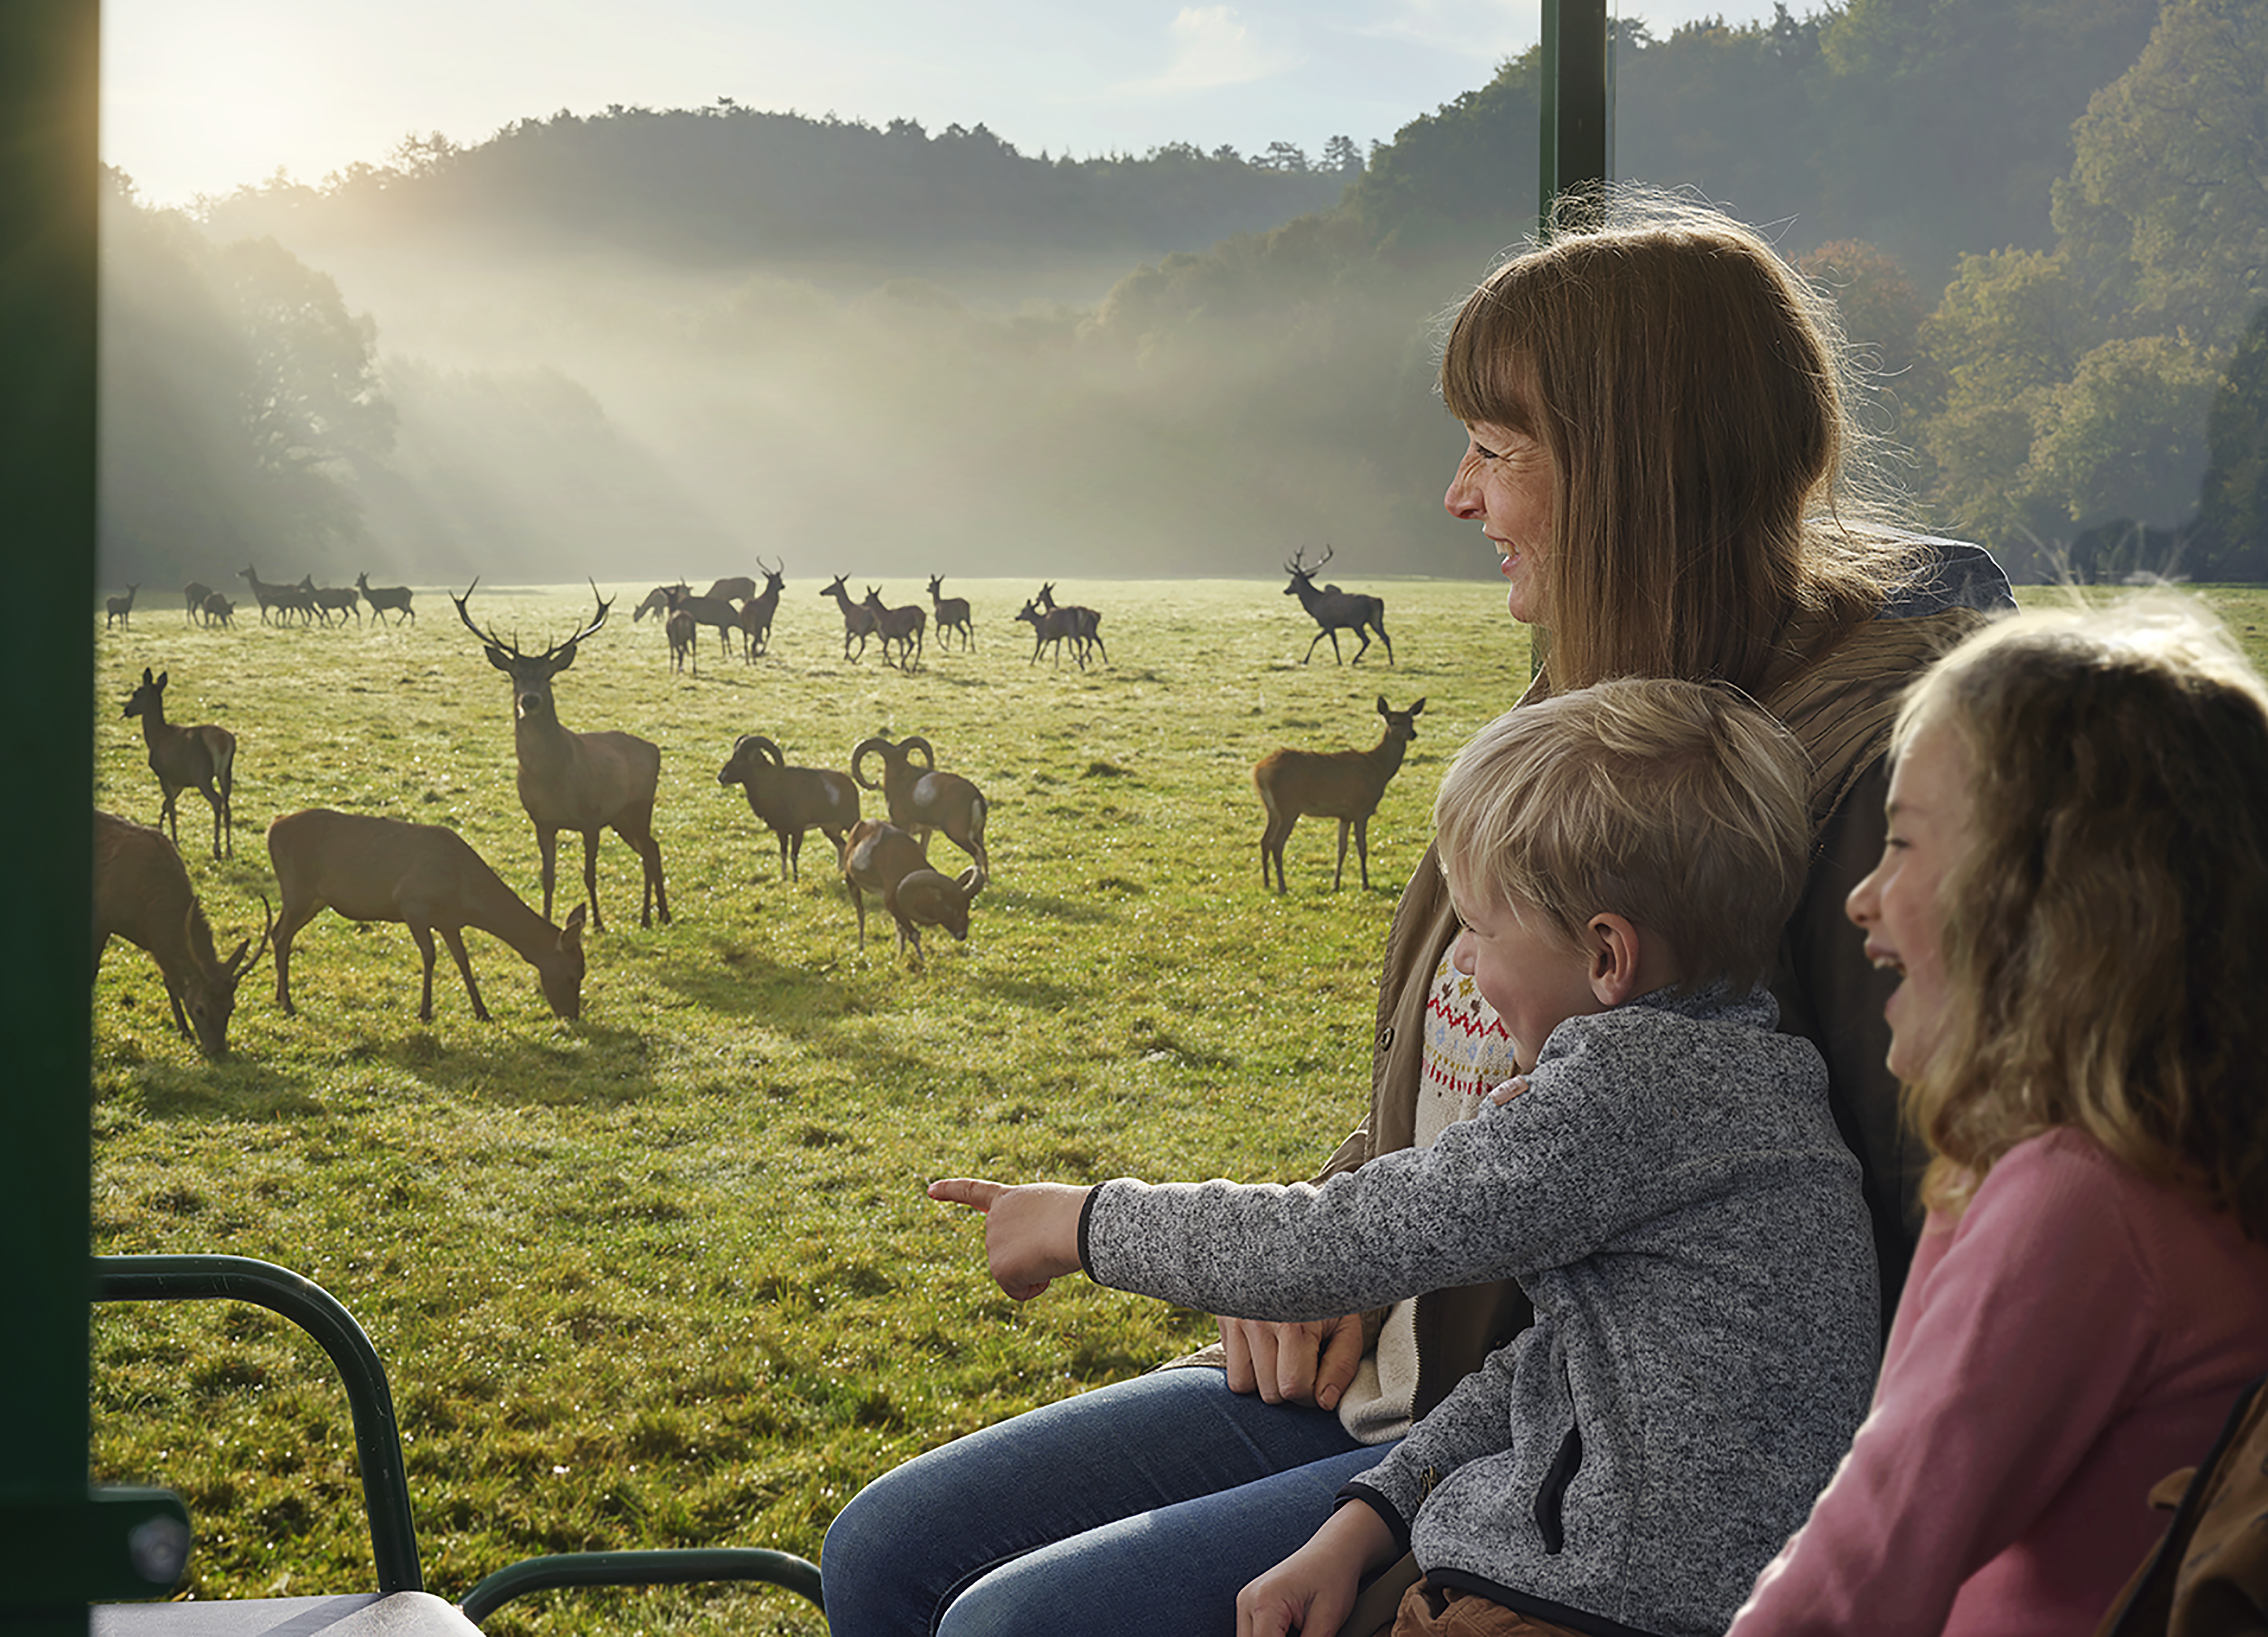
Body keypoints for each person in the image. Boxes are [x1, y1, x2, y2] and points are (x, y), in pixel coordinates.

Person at [819, 195, 2012, 1637]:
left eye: (1500, 452)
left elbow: (1878, 1236)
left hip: (1552, 1451)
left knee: (1017, 1623)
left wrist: (1305, 1257)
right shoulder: (1580, 699)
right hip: (1384, 1344)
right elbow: (1459, 1076)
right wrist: (1340, 1218)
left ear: (1635, 474)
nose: (1458, 497)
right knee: (885, 1545)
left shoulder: (1848, 784)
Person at [934, 678, 1881, 1637]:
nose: (1461, 961)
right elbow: (1551, 1373)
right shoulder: (1745, 1080)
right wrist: (1365, 1523)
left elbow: (1328, 1245)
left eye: (1477, 925)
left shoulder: (1635, 1097)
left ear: (1606, 956)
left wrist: (1081, 1220)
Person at [1729, 597, 2268, 1636]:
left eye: (1904, 843)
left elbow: (1857, 1578)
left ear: (2044, 899)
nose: (1863, 897)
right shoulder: (2187, 1163)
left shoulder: (2077, 1195)